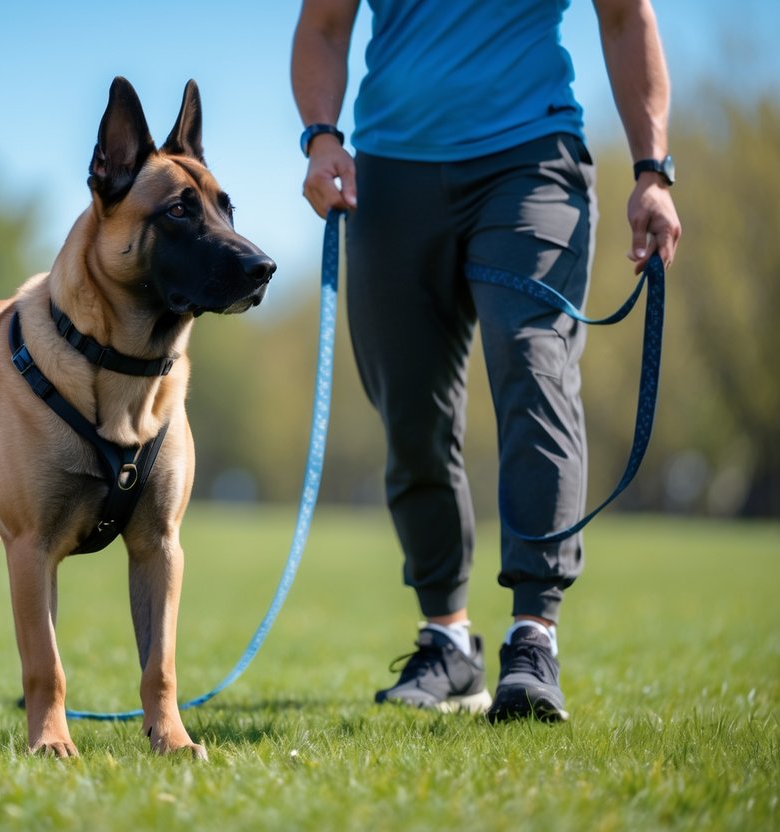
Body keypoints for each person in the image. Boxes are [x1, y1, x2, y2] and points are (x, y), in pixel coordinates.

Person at [291, 0, 681, 721]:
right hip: (389, 173)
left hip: (529, 159)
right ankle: (446, 642)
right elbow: (322, 26)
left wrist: (651, 170)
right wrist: (320, 137)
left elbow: (626, 19)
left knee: (534, 371)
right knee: (409, 411)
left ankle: (533, 637)